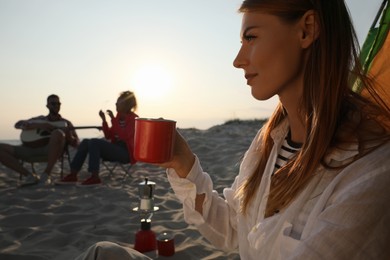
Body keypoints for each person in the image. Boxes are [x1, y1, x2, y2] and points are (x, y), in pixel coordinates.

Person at [76, 0, 390, 259]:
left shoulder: (370, 173)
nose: (238, 60)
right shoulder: (271, 141)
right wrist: (184, 164)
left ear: (306, 30)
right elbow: (235, 232)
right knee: (102, 252)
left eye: (250, 38)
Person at [59, 91, 138, 185]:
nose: (115, 104)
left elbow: (124, 135)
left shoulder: (134, 119)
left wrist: (113, 120)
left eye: (118, 102)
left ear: (126, 104)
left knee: (95, 142)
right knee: (86, 142)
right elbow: (109, 136)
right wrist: (104, 121)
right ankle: (73, 174)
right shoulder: (118, 118)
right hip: (115, 149)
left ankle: (95, 176)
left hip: (126, 153)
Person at [0, 94, 79, 186]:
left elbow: (76, 143)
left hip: (50, 151)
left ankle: (46, 175)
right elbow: (18, 124)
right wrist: (40, 125)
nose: (56, 106)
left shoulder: (66, 123)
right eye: (53, 103)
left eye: (58, 103)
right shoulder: (39, 119)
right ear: (47, 106)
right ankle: (29, 176)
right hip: (29, 149)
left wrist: (69, 137)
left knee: (57, 133)